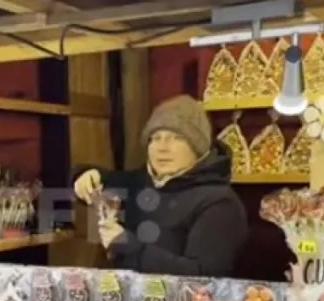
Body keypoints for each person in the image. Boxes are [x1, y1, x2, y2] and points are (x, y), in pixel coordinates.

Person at [73, 94, 248, 277]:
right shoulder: (140, 182)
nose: (162, 148)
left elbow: (201, 278)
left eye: (176, 138)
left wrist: (125, 245)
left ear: (198, 148)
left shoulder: (220, 203)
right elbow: (102, 182)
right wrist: (85, 176)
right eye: (155, 138)